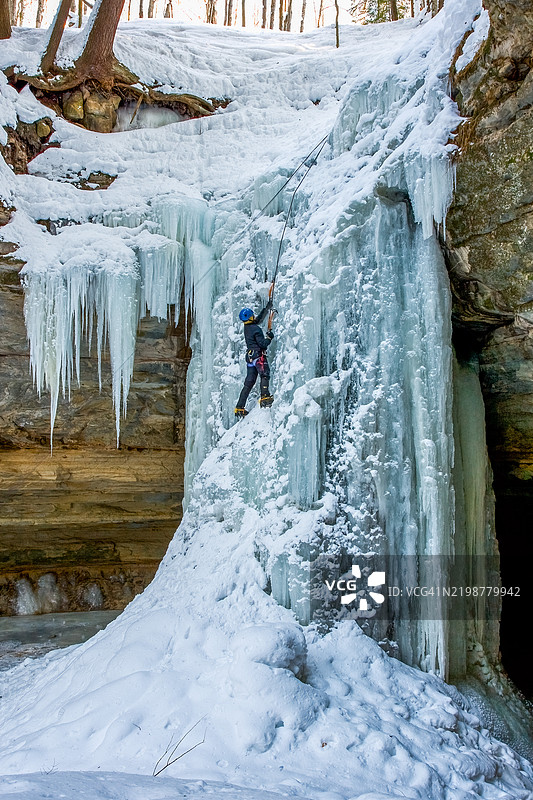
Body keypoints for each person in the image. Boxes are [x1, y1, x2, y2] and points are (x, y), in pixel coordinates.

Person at [235, 302, 274, 418]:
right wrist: (269, 337)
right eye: (252, 315)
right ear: (249, 317)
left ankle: (239, 407)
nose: (254, 316)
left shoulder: (247, 327)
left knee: (249, 382)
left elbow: (257, 320)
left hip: (250, 357)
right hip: (258, 356)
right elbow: (263, 344)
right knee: (264, 374)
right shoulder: (256, 329)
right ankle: (265, 397)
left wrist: (266, 309)